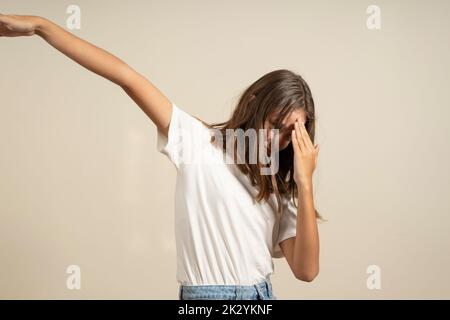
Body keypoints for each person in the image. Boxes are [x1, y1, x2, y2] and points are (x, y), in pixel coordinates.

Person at [0, 13, 322, 300]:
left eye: (290, 135)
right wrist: (42, 27)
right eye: (275, 125)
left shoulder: (281, 186)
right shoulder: (199, 142)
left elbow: (306, 272)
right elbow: (124, 75)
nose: (276, 140)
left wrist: (304, 184)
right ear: (254, 103)